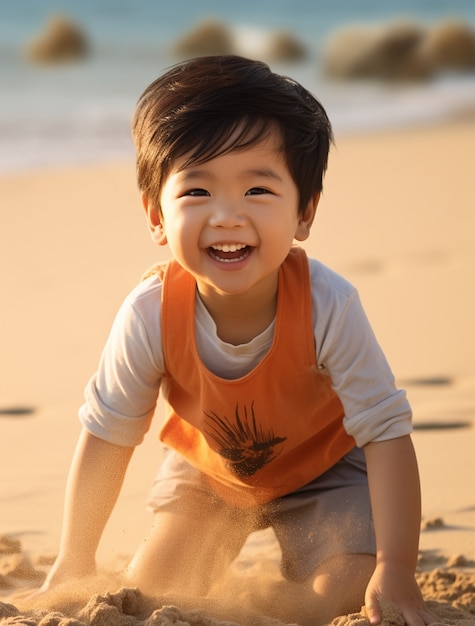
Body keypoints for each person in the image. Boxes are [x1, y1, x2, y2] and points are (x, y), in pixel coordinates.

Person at [40, 55, 435, 626]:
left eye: (257, 189)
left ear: (304, 212)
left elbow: (386, 432)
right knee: (155, 591)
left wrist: (397, 566)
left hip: (326, 468)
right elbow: (108, 433)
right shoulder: (149, 313)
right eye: (196, 190)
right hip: (209, 474)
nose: (227, 215)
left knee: (346, 590)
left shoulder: (329, 304)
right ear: (156, 215)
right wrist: (74, 560)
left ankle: (254, 611)